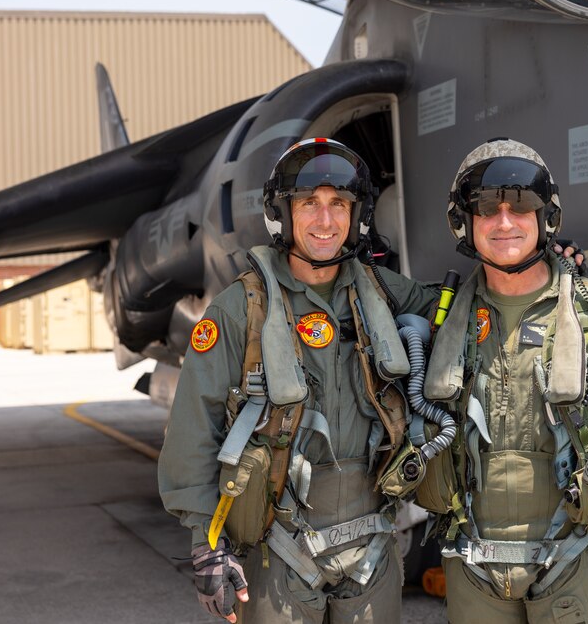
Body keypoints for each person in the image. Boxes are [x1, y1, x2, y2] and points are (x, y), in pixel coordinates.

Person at [158, 137, 439, 624]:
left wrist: (547, 265)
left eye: (339, 204)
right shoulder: (238, 311)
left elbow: (467, 318)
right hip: (278, 547)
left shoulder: (383, 292)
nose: (326, 221)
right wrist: (207, 547)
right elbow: (193, 431)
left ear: (357, 215)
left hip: (372, 543)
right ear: (282, 214)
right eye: (309, 203)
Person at [416, 138, 588, 623]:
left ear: (547, 218)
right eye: (486, 208)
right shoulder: (437, 319)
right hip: (472, 565)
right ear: (465, 222)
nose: (504, 222)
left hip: (573, 560)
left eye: (522, 206)